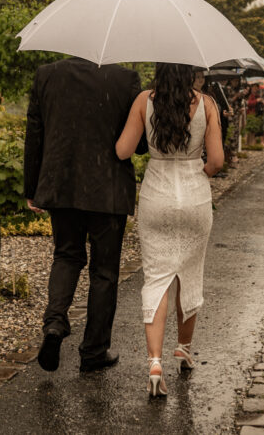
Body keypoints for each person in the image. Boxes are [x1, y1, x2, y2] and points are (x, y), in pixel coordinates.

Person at [25, 57, 145, 374]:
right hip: (107, 190)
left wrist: (32, 187)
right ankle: (93, 351)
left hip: (61, 183)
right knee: (104, 272)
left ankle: (54, 323)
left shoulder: (47, 75)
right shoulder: (125, 80)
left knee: (66, 255)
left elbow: (34, 133)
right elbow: (141, 144)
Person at [115, 63, 224, 397]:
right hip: (193, 197)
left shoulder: (144, 101)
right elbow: (217, 161)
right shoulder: (206, 104)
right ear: (190, 72)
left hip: (156, 196)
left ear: (159, 71)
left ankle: (155, 362)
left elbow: (122, 150)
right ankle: (184, 348)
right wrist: (197, 172)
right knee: (189, 273)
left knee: (157, 277)